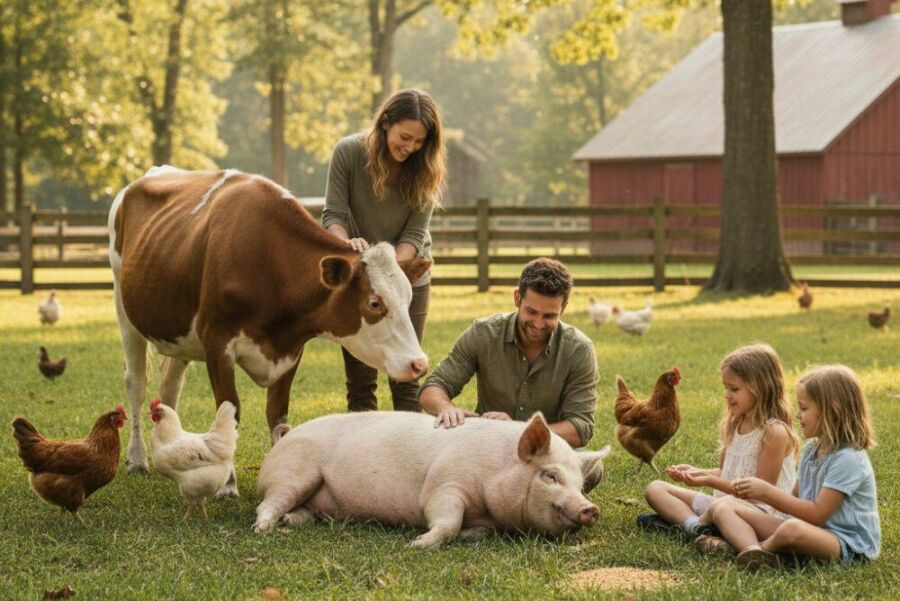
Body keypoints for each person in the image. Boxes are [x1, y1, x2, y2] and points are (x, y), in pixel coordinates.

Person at [322, 88, 446, 412]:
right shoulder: (348, 152)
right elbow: (333, 215)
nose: (410, 148)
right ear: (385, 123)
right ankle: (362, 456)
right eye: (405, 137)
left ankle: (412, 456)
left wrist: (388, 267)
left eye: (419, 142)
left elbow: (415, 233)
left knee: (407, 376)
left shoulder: (425, 169)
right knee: (361, 383)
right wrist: (346, 244)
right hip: (363, 279)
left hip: (406, 275)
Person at [704, 364, 880, 570]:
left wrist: (767, 492)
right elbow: (794, 498)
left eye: (804, 408)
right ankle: (755, 552)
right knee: (726, 506)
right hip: (808, 529)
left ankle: (750, 553)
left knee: (792, 529)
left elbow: (817, 514)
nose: (797, 415)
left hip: (845, 543)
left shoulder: (849, 459)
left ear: (832, 410)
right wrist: (754, 507)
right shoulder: (812, 450)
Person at [418, 258, 598, 449]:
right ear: (517, 299)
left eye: (549, 316)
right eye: (531, 311)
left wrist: (518, 430)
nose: (538, 324)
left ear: (564, 308)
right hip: (489, 447)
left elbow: (581, 428)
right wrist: (446, 408)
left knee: (592, 469)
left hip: (547, 451)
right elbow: (433, 388)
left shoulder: (579, 349)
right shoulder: (483, 333)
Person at [637, 344, 798, 541]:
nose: (727, 394)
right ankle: (696, 528)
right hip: (723, 504)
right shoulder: (736, 423)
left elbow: (759, 494)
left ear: (761, 388)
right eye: (725, 387)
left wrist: (709, 480)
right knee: (655, 489)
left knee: (718, 507)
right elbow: (729, 474)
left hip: (757, 513)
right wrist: (698, 472)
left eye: (734, 389)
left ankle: (689, 525)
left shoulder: (774, 432)